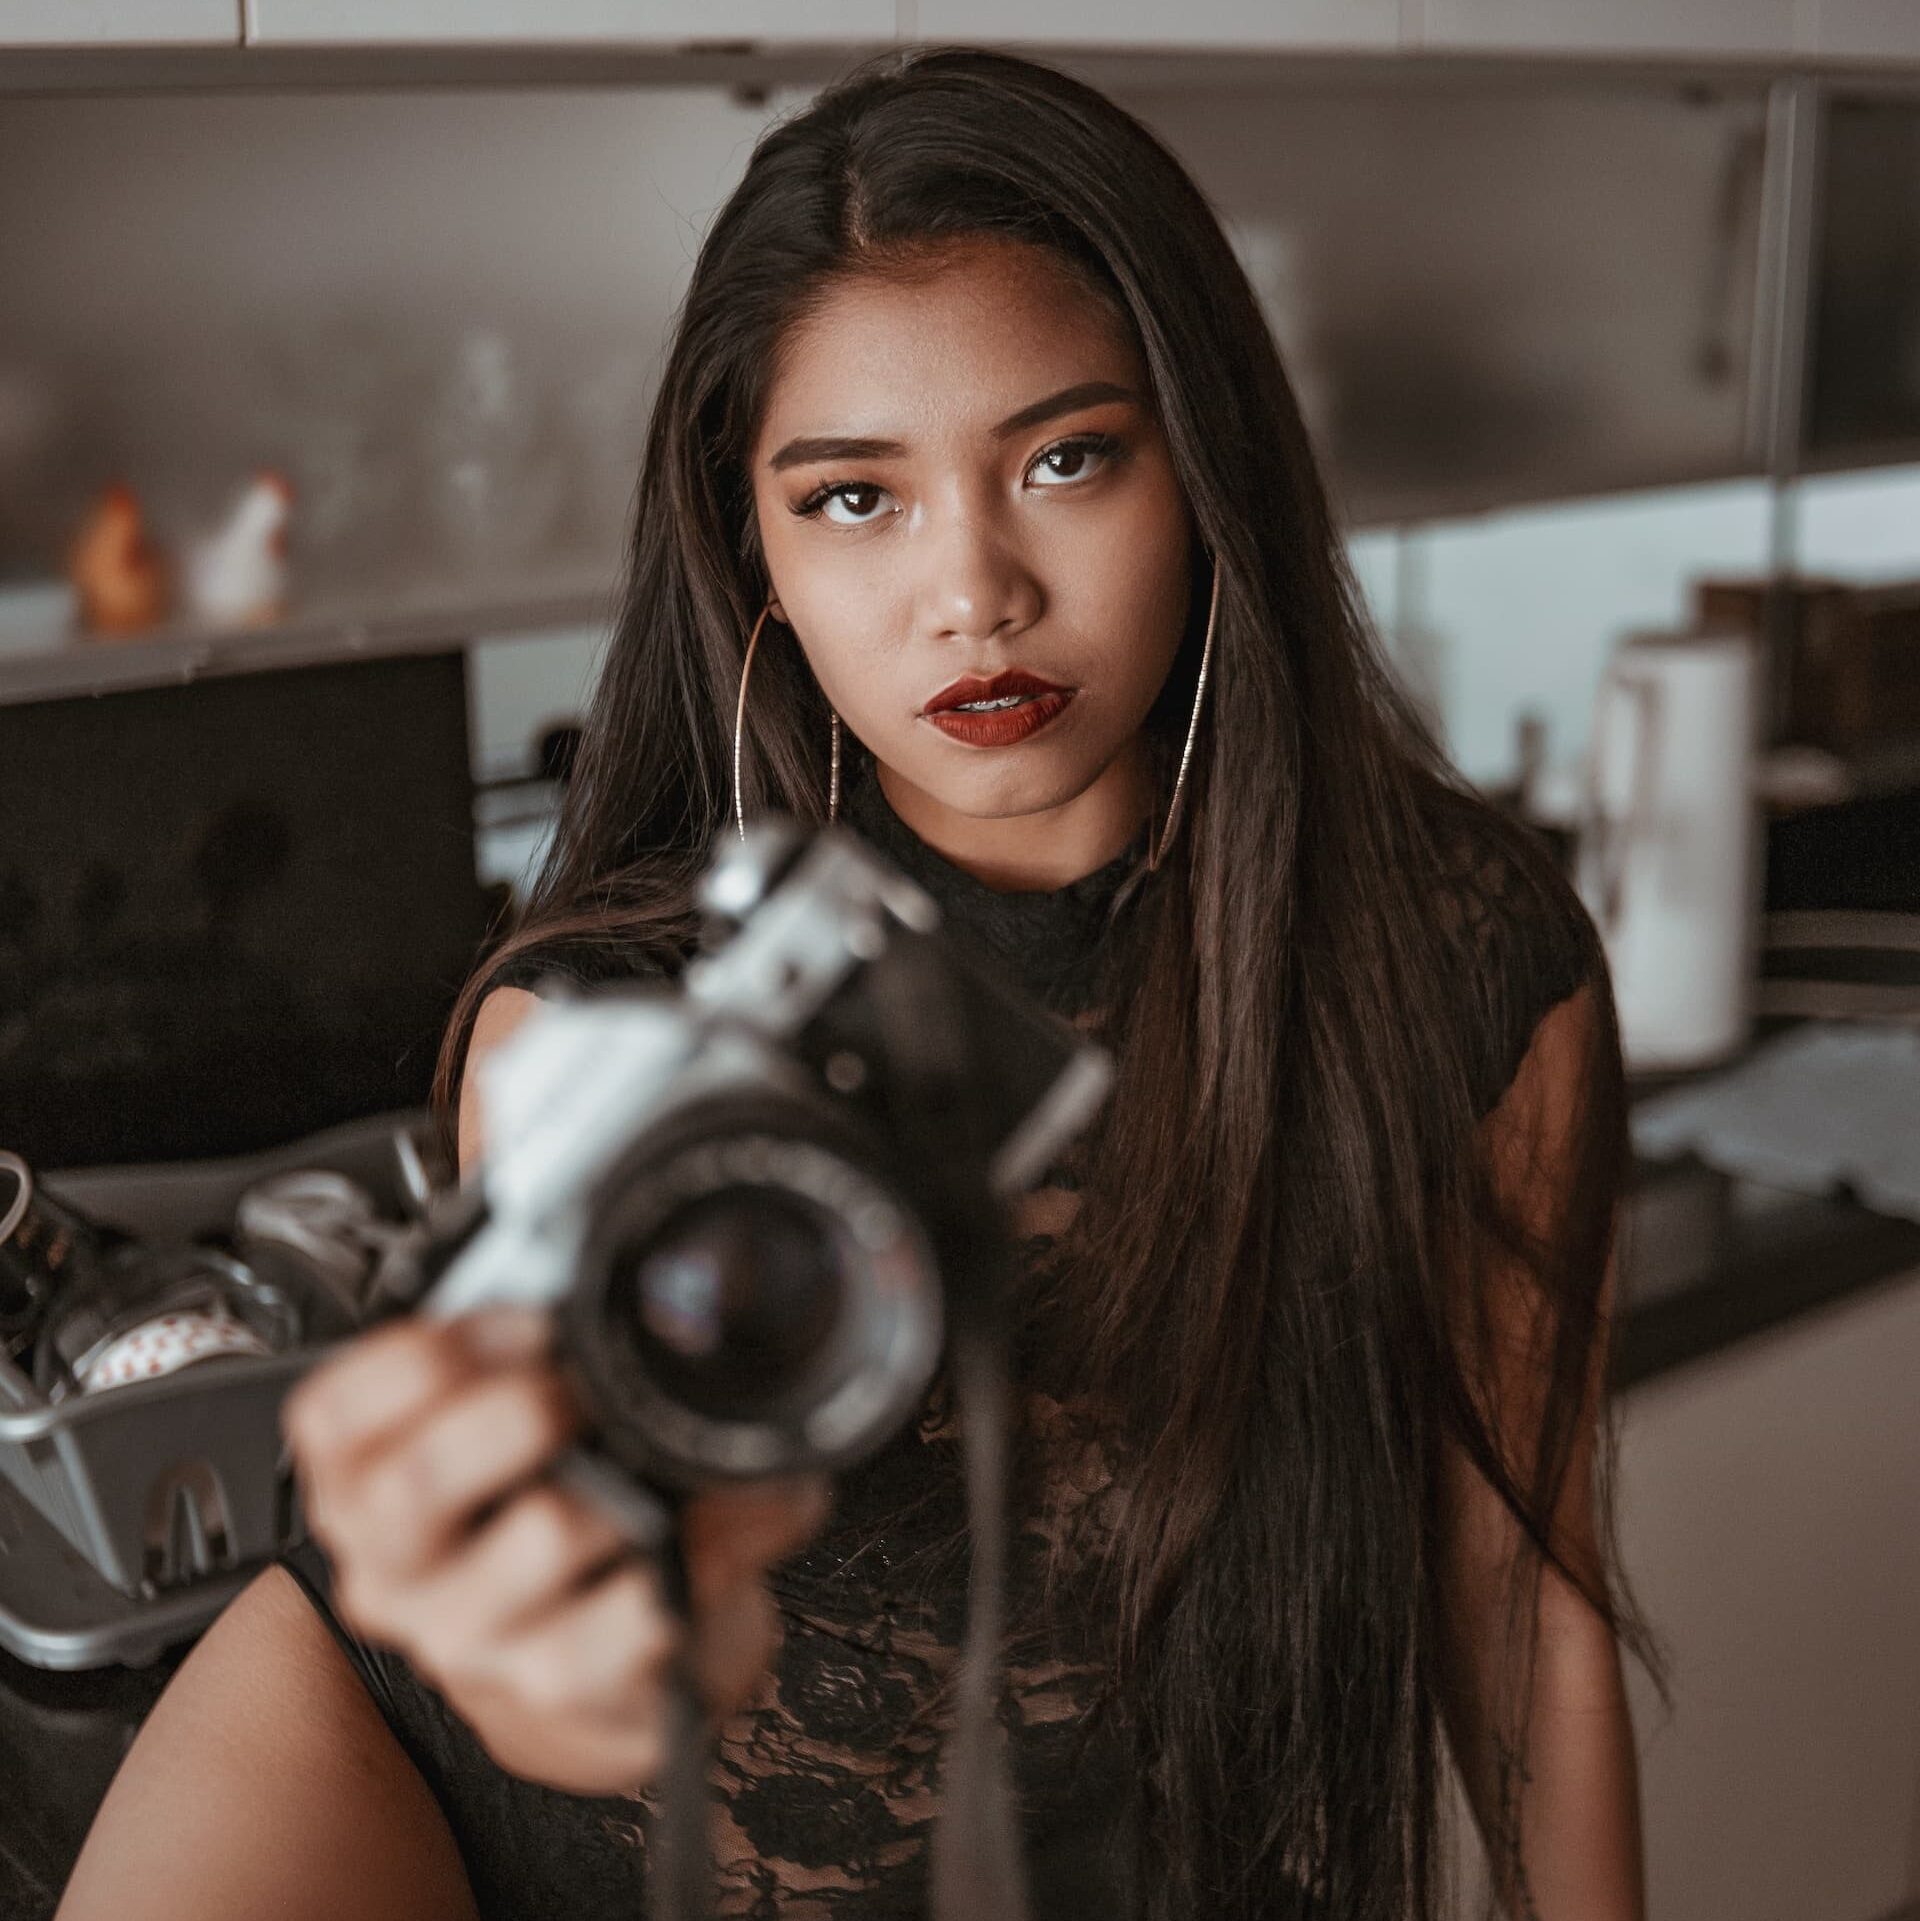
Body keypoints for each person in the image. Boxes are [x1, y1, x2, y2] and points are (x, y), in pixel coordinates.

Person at [57, 44, 1658, 1921]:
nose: (971, 590)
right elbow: (621, 1560)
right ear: (754, 554)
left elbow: (1520, 1588)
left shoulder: (1459, 961)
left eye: (1066, 458)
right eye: (852, 498)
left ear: (1205, 461)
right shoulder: (611, 1021)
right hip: (403, 1782)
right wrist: (546, 1582)